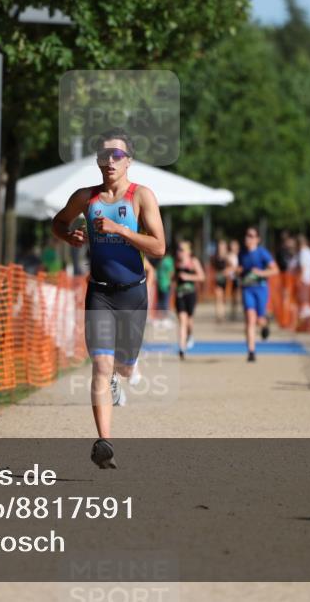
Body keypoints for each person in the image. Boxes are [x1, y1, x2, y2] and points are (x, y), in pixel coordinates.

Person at [51, 129, 166, 469]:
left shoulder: (141, 196)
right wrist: (68, 236)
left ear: (129, 161)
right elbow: (58, 222)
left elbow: (159, 247)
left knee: (125, 368)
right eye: (104, 155)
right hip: (100, 293)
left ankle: (120, 375)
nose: (110, 161)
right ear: (98, 161)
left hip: (133, 293)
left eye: (117, 155)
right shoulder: (85, 198)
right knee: (100, 365)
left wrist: (122, 231)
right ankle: (105, 443)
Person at [238, 227, 279, 362]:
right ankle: (251, 351)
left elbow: (275, 270)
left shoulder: (262, 253)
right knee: (250, 319)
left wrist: (261, 273)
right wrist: (235, 271)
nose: (248, 238)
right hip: (247, 289)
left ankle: (265, 325)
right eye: (247, 235)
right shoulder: (242, 253)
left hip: (261, 289)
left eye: (251, 236)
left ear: (257, 239)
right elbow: (240, 269)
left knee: (259, 319)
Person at [172, 240, 205, 360]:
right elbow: (173, 278)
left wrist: (188, 277)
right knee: (182, 320)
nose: (179, 252)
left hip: (190, 294)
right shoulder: (176, 262)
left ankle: (190, 335)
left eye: (181, 250)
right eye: (178, 249)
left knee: (189, 321)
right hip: (179, 294)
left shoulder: (193, 261)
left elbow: (202, 277)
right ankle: (181, 348)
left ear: (188, 251)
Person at [296, 234, 310, 321]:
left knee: (303, 298)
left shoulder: (303, 252)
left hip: (304, 278)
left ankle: (307, 314)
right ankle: (308, 315)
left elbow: (303, 267)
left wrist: (300, 278)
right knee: (306, 298)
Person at [211, 240, 230, 323]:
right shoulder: (215, 257)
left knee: (223, 298)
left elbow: (233, 267)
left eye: (223, 247)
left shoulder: (227, 257)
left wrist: (226, 271)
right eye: (220, 246)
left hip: (225, 280)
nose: (221, 248)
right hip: (217, 279)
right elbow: (212, 268)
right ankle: (218, 315)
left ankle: (223, 314)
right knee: (218, 297)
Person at [155, 253, 174, 328]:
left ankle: (161, 319)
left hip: (162, 284)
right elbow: (171, 273)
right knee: (164, 302)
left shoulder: (161, 260)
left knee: (161, 302)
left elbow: (170, 273)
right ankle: (164, 319)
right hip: (164, 284)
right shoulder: (168, 260)